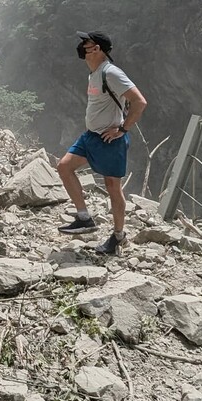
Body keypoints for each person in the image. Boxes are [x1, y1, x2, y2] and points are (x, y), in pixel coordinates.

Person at [56, 31, 147, 255]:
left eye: (85, 44)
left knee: (112, 188)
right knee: (64, 167)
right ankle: (84, 218)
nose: (81, 47)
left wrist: (123, 129)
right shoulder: (94, 73)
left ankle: (118, 236)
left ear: (96, 48)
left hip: (109, 140)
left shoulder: (112, 73)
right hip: (90, 136)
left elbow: (140, 101)